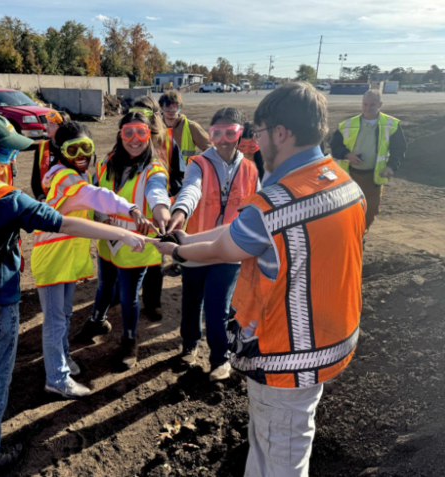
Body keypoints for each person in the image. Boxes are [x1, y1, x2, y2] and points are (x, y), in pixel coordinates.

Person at [153, 83, 365, 477]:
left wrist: (178, 252)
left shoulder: (277, 203)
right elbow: (240, 230)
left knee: (282, 458)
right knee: (271, 445)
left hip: (287, 356)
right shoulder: (344, 183)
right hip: (329, 341)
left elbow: (227, 246)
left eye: (260, 133)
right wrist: (188, 237)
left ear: (281, 133)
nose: (255, 141)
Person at [0, 112, 147, 474]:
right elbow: (63, 221)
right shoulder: (3, 198)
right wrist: (120, 233)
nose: (14, 157)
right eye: (7, 151)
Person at [32, 121, 152, 399]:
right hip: (52, 261)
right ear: (60, 152)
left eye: (86, 147)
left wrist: (105, 216)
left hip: (65, 259)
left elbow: (87, 206)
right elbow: (98, 196)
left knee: (63, 315)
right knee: (54, 321)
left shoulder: (75, 176)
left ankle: (60, 360)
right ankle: (56, 378)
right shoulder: (67, 179)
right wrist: (130, 209)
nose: (81, 155)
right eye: (72, 149)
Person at [166, 108, 260, 381]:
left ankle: (220, 359)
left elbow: (257, 207)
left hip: (229, 250)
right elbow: (191, 189)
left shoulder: (251, 170)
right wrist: (181, 211)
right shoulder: (198, 163)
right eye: (216, 133)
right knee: (191, 299)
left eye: (230, 133)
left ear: (240, 133)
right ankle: (189, 346)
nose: (223, 139)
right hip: (194, 247)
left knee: (218, 307)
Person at [76, 112, 171, 368]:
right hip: (108, 239)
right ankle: (97, 322)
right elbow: (96, 194)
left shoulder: (154, 169)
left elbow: (157, 192)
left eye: (141, 133)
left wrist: (162, 212)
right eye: (128, 132)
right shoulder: (107, 162)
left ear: (149, 136)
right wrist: (103, 221)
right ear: (120, 134)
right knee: (104, 285)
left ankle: (129, 341)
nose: (135, 139)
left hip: (135, 246)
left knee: (129, 296)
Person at [129, 96, 184, 321]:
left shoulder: (168, 143)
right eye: (136, 111)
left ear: (156, 116)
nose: (142, 117)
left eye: (148, 114)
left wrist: (165, 199)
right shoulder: (127, 140)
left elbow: (179, 177)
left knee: (155, 260)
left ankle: (152, 303)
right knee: (126, 256)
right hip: (130, 213)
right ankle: (118, 297)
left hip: (156, 215)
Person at [330, 89, 407, 231]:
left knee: (370, 211)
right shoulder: (348, 124)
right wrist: (347, 155)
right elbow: (335, 146)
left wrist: (391, 167)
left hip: (373, 177)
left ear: (380, 104)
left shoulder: (391, 125)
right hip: (350, 176)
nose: (367, 108)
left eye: (372, 104)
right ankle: (350, 234)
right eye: (365, 104)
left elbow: (399, 148)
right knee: (346, 209)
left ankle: (360, 235)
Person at [31, 110, 71, 201]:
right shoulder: (42, 147)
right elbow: (35, 180)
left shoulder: (73, 149)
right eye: (47, 124)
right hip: (47, 204)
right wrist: (42, 199)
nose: (47, 128)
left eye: (52, 125)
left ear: (63, 127)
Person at [158, 89, 211, 160]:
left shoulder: (191, 127)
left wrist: (198, 164)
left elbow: (211, 150)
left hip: (186, 170)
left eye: (174, 107)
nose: (171, 110)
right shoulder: (156, 128)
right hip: (161, 170)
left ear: (179, 108)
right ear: (161, 108)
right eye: (167, 106)